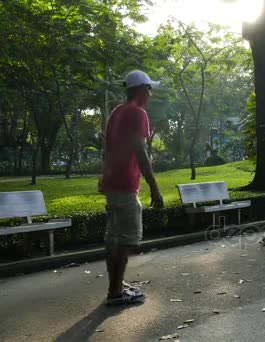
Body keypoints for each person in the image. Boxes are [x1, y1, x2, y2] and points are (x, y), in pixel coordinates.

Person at [101, 70, 164, 305]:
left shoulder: (117, 112)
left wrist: (104, 176)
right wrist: (154, 188)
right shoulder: (137, 113)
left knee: (114, 237)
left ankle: (114, 286)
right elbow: (141, 152)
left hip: (112, 183)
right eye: (149, 88)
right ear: (140, 90)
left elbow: (107, 148)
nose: (151, 93)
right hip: (126, 184)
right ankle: (116, 293)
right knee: (126, 239)